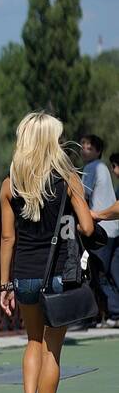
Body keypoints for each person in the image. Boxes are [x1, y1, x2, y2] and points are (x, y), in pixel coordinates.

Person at [0, 113, 96, 393]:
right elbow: (87, 228)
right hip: (57, 275)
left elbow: (7, 239)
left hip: (24, 274)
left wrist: (4, 284)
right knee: (52, 349)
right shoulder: (67, 178)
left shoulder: (10, 184)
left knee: (32, 341)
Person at [79, 134, 119, 325]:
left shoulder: (91, 167)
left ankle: (110, 313)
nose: (83, 149)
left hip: (101, 227)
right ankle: (110, 312)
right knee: (110, 272)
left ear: (97, 150)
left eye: (88, 146)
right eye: (82, 146)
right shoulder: (103, 168)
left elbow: (81, 195)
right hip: (113, 227)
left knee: (98, 273)